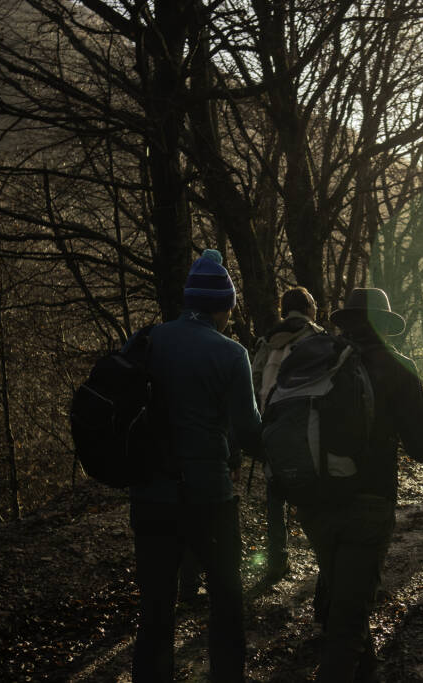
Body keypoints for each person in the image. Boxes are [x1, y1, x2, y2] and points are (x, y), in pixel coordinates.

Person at [297, 287, 423, 681]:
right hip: (368, 504)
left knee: (347, 599)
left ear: (346, 322)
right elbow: (421, 449)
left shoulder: (317, 359)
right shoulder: (397, 368)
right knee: (347, 622)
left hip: (313, 501)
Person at [129, 249, 262, 683]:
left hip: (150, 496)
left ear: (188, 301)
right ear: (224, 306)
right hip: (210, 499)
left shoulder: (150, 341)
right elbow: (248, 432)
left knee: (155, 611)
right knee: (226, 602)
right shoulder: (231, 354)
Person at [251, 286, 323, 584]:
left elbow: (254, 378)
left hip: (272, 422)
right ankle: (323, 559)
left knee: (274, 491)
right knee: (313, 493)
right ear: (309, 309)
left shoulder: (269, 340)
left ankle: (277, 561)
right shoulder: (318, 337)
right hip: (307, 421)